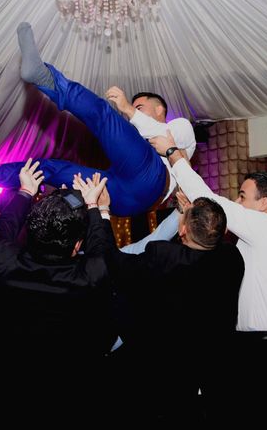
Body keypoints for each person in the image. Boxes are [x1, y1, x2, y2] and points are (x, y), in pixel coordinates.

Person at [0, 22, 196, 216]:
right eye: (135, 108)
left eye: (141, 106)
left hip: (152, 181)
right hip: (119, 199)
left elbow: (168, 144)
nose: (135, 112)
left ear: (160, 109)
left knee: (105, 115)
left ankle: (44, 77)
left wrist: (128, 109)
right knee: (50, 169)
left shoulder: (180, 126)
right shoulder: (138, 140)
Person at [150, 131, 267, 425]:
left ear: (263, 203)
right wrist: (191, 214)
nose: (237, 201)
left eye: (243, 196)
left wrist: (172, 151)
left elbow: (212, 200)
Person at [74, 173, 244, 425]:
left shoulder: (165, 258)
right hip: (213, 363)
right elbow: (205, 242)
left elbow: (110, 260)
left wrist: (101, 210)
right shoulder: (231, 257)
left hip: (167, 371)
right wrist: (190, 217)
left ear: (183, 229)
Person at [0, 159, 117, 427]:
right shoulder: (91, 276)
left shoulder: (3, 261)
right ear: (76, 247)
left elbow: (3, 230)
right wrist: (96, 208)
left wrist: (25, 192)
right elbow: (102, 251)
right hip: (74, 397)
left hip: (16, 395)